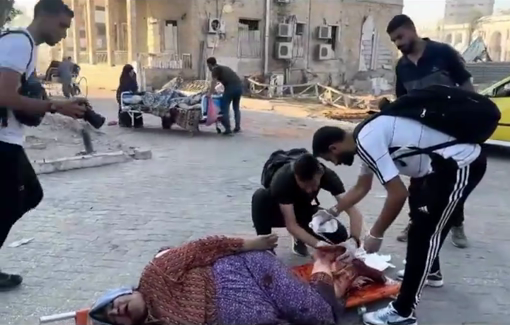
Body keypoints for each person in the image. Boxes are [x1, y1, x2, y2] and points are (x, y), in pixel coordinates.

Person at [312, 119, 486, 325]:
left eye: (330, 158)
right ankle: (431, 272)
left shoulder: (368, 141)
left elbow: (397, 194)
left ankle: (403, 313)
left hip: (458, 164)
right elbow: (361, 187)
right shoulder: (363, 141)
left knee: (423, 235)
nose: (335, 163)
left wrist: (376, 234)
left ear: (334, 147)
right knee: (420, 223)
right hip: (432, 171)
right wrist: (332, 212)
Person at [0, 0, 87, 291]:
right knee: (19, 197)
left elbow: (23, 93)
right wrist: (55, 107)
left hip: (9, 139)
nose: (63, 34)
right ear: (45, 17)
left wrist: (60, 103)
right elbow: (3, 96)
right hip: (2, 141)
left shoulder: (27, 45)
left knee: (24, 196)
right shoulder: (19, 43)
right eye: (62, 25)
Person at [87, 234, 365, 325]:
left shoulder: (155, 273)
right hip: (259, 315)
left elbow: (201, 247)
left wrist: (249, 243)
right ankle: (338, 275)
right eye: (113, 318)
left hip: (251, 271)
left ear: (125, 292)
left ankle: (324, 262)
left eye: (114, 303)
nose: (116, 311)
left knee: (320, 316)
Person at [388, 14, 474, 248]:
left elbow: (466, 85)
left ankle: (456, 224)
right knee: (418, 182)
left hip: (452, 129)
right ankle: (416, 222)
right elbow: (403, 100)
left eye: (400, 37)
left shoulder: (443, 53)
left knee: (452, 179)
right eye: (394, 41)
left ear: (412, 30)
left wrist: (471, 116)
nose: (398, 43)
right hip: (421, 132)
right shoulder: (402, 66)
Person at [252, 151, 363, 257]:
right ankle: (265, 248)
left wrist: (354, 240)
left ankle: (301, 236)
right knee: (259, 197)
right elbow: (291, 225)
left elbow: (353, 210)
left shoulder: (328, 176)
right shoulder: (282, 180)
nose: (310, 190)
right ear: (296, 176)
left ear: (320, 174)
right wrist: (318, 244)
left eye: (314, 185)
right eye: (305, 186)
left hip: (303, 209)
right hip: (277, 212)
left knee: (339, 236)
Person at [206, 57, 242, 135]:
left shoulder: (215, 70)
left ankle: (228, 129)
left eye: (208, 66)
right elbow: (226, 80)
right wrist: (215, 90)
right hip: (239, 87)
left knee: (224, 107)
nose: (208, 68)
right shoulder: (223, 68)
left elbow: (213, 82)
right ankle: (237, 127)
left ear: (209, 64)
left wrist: (210, 93)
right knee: (236, 108)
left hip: (231, 88)